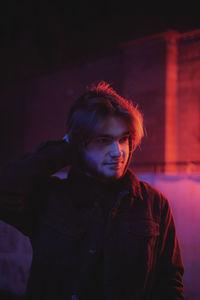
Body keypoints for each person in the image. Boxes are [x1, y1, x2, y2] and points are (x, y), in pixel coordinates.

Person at [0, 81, 184, 300]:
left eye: (124, 139)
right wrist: (64, 148)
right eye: (103, 140)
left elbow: (169, 282)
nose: (118, 152)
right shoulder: (50, 197)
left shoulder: (154, 204)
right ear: (78, 144)